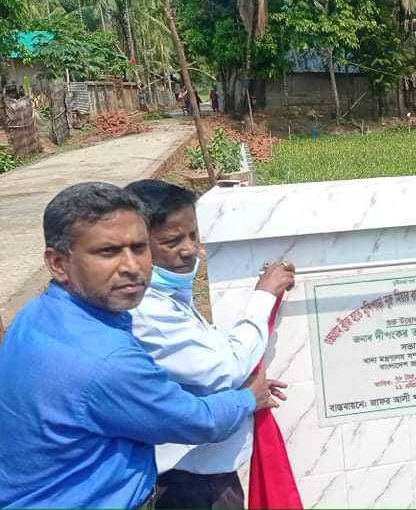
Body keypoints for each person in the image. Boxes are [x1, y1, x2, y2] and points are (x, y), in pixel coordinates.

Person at [0, 182, 278, 508]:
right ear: (59, 263)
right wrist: (248, 397)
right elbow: (199, 421)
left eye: (139, 247)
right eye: (108, 252)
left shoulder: (36, 315)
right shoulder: (107, 360)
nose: (132, 267)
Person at [125, 179, 294, 509]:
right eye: (172, 241)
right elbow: (223, 368)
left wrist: (239, 384)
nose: (189, 249)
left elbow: (199, 365)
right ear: (138, 246)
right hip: (186, 483)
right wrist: (263, 298)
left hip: (205, 476)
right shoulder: (147, 309)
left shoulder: (169, 295)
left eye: (193, 236)